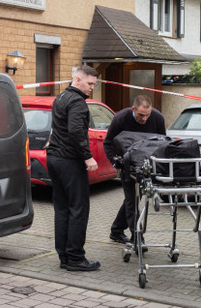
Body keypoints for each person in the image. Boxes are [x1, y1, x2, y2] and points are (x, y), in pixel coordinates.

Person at [46, 65, 100, 272]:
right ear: (77, 80)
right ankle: (76, 258)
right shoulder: (77, 101)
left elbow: (58, 128)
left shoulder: (60, 98)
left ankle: (65, 257)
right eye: (89, 83)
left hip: (54, 159)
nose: (91, 88)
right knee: (78, 209)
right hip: (69, 161)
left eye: (94, 84)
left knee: (62, 209)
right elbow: (76, 130)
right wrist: (87, 157)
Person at [103, 95, 166, 247]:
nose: (144, 119)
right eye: (140, 115)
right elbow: (108, 142)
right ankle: (137, 237)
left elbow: (162, 142)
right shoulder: (121, 118)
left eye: (147, 115)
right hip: (126, 164)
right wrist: (115, 162)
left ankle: (116, 230)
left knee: (133, 198)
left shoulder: (157, 118)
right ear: (133, 109)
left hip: (146, 166)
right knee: (132, 199)